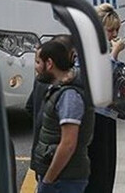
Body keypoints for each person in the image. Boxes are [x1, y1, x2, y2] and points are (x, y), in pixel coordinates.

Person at [86, 5, 125, 193]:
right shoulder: (88, 49)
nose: (115, 34)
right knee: (98, 173)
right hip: (95, 118)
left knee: (107, 171)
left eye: (117, 30)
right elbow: (98, 78)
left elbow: (115, 78)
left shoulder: (104, 49)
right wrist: (114, 54)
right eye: (110, 30)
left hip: (108, 115)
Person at [31, 39, 94, 192]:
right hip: (60, 178)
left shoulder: (69, 96)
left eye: (38, 62)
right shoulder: (60, 90)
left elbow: (68, 144)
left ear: (49, 63)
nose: (36, 67)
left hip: (62, 181)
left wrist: (48, 180)